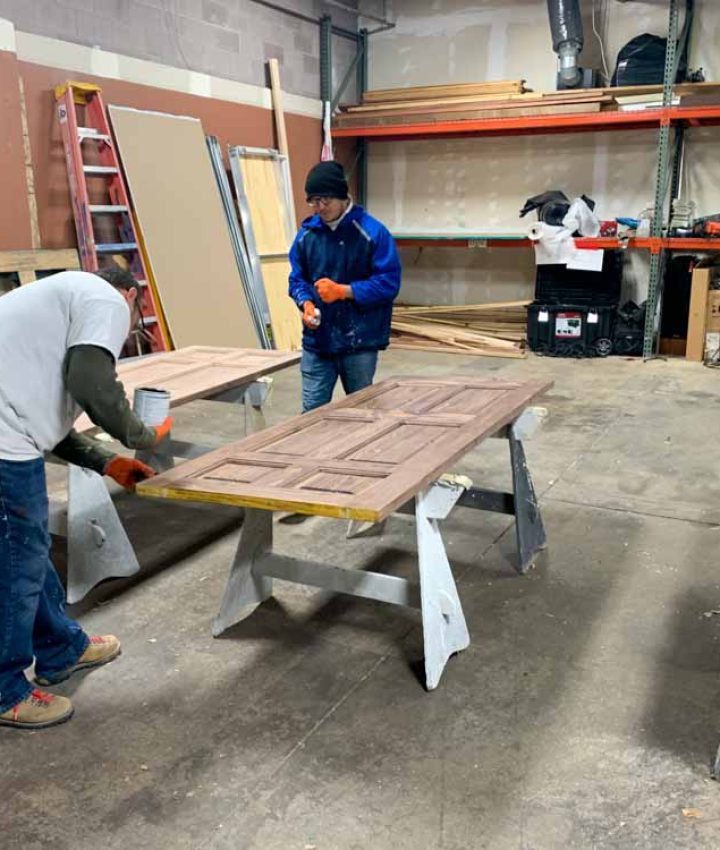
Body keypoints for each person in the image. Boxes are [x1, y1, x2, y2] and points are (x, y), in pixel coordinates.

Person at [0, 266, 172, 729]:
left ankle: (61, 648)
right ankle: (5, 690)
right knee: (17, 557)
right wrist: (143, 435)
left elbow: (44, 417)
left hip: (10, 427)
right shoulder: (105, 299)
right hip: (3, 439)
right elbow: (91, 384)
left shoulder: (62, 303)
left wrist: (107, 461)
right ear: (131, 295)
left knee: (23, 552)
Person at [289, 161, 402, 412]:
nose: (319, 208)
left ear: (342, 196)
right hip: (318, 341)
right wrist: (305, 303)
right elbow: (297, 278)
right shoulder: (307, 236)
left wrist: (345, 291)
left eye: (325, 200)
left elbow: (389, 283)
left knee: (361, 412)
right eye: (313, 201)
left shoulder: (372, 233)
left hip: (359, 342)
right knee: (311, 414)